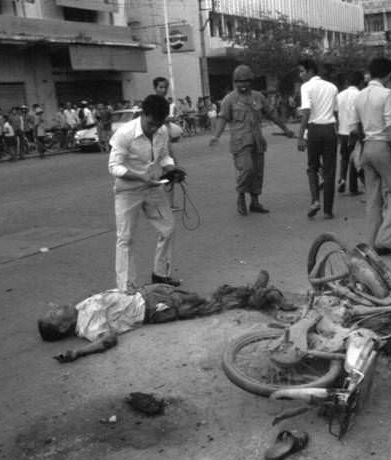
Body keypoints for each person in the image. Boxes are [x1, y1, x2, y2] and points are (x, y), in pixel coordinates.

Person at [38, 275, 292, 363]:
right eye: (53, 314)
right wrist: (78, 353)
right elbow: (108, 340)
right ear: (63, 327)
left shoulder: (79, 308)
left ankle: (251, 292)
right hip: (155, 308)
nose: (54, 307)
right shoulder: (87, 326)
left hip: (149, 293)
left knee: (202, 298)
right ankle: (260, 296)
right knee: (209, 304)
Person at [108, 94, 180, 290]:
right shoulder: (125, 134)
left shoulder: (162, 131)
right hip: (128, 191)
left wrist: (171, 169)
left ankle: (160, 274)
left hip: (152, 187)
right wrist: (139, 177)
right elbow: (114, 167)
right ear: (143, 114)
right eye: (151, 124)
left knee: (168, 227)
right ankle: (126, 286)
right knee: (125, 238)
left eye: (158, 124)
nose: (154, 128)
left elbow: (163, 156)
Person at [210, 64, 295, 215]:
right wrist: (215, 136)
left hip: (257, 141)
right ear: (234, 82)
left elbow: (272, 115)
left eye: (246, 81)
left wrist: (286, 129)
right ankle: (241, 195)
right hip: (240, 142)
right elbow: (222, 119)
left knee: (257, 172)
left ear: (251, 81)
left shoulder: (258, 97)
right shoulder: (229, 100)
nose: (243, 84)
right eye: (239, 81)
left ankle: (255, 202)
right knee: (247, 169)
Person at [352, 57, 391, 255]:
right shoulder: (386, 94)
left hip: (366, 146)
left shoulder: (359, 95)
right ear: (389, 74)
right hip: (382, 146)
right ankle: (386, 239)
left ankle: (371, 242)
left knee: (373, 199)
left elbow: (355, 127)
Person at [296, 59, 339, 219]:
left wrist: (301, 137)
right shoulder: (332, 87)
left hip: (314, 129)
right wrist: (338, 132)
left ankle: (315, 200)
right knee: (329, 171)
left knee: (312, 167)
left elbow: (306, 112)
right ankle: (328, 209)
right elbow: (336, 113)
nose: (300, 75)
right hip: (330, 130)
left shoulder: (306, 87)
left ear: (310, 71)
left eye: (302, 71)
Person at [336, 71, 362, 195]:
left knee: (344, 157)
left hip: (342, 130)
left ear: (347, 82)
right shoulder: (360, 95)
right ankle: (353, 186)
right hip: (354, 131)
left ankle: (342, 178)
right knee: (354, 157)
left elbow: (335, 112)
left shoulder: (340, 95)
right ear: (360, 82)